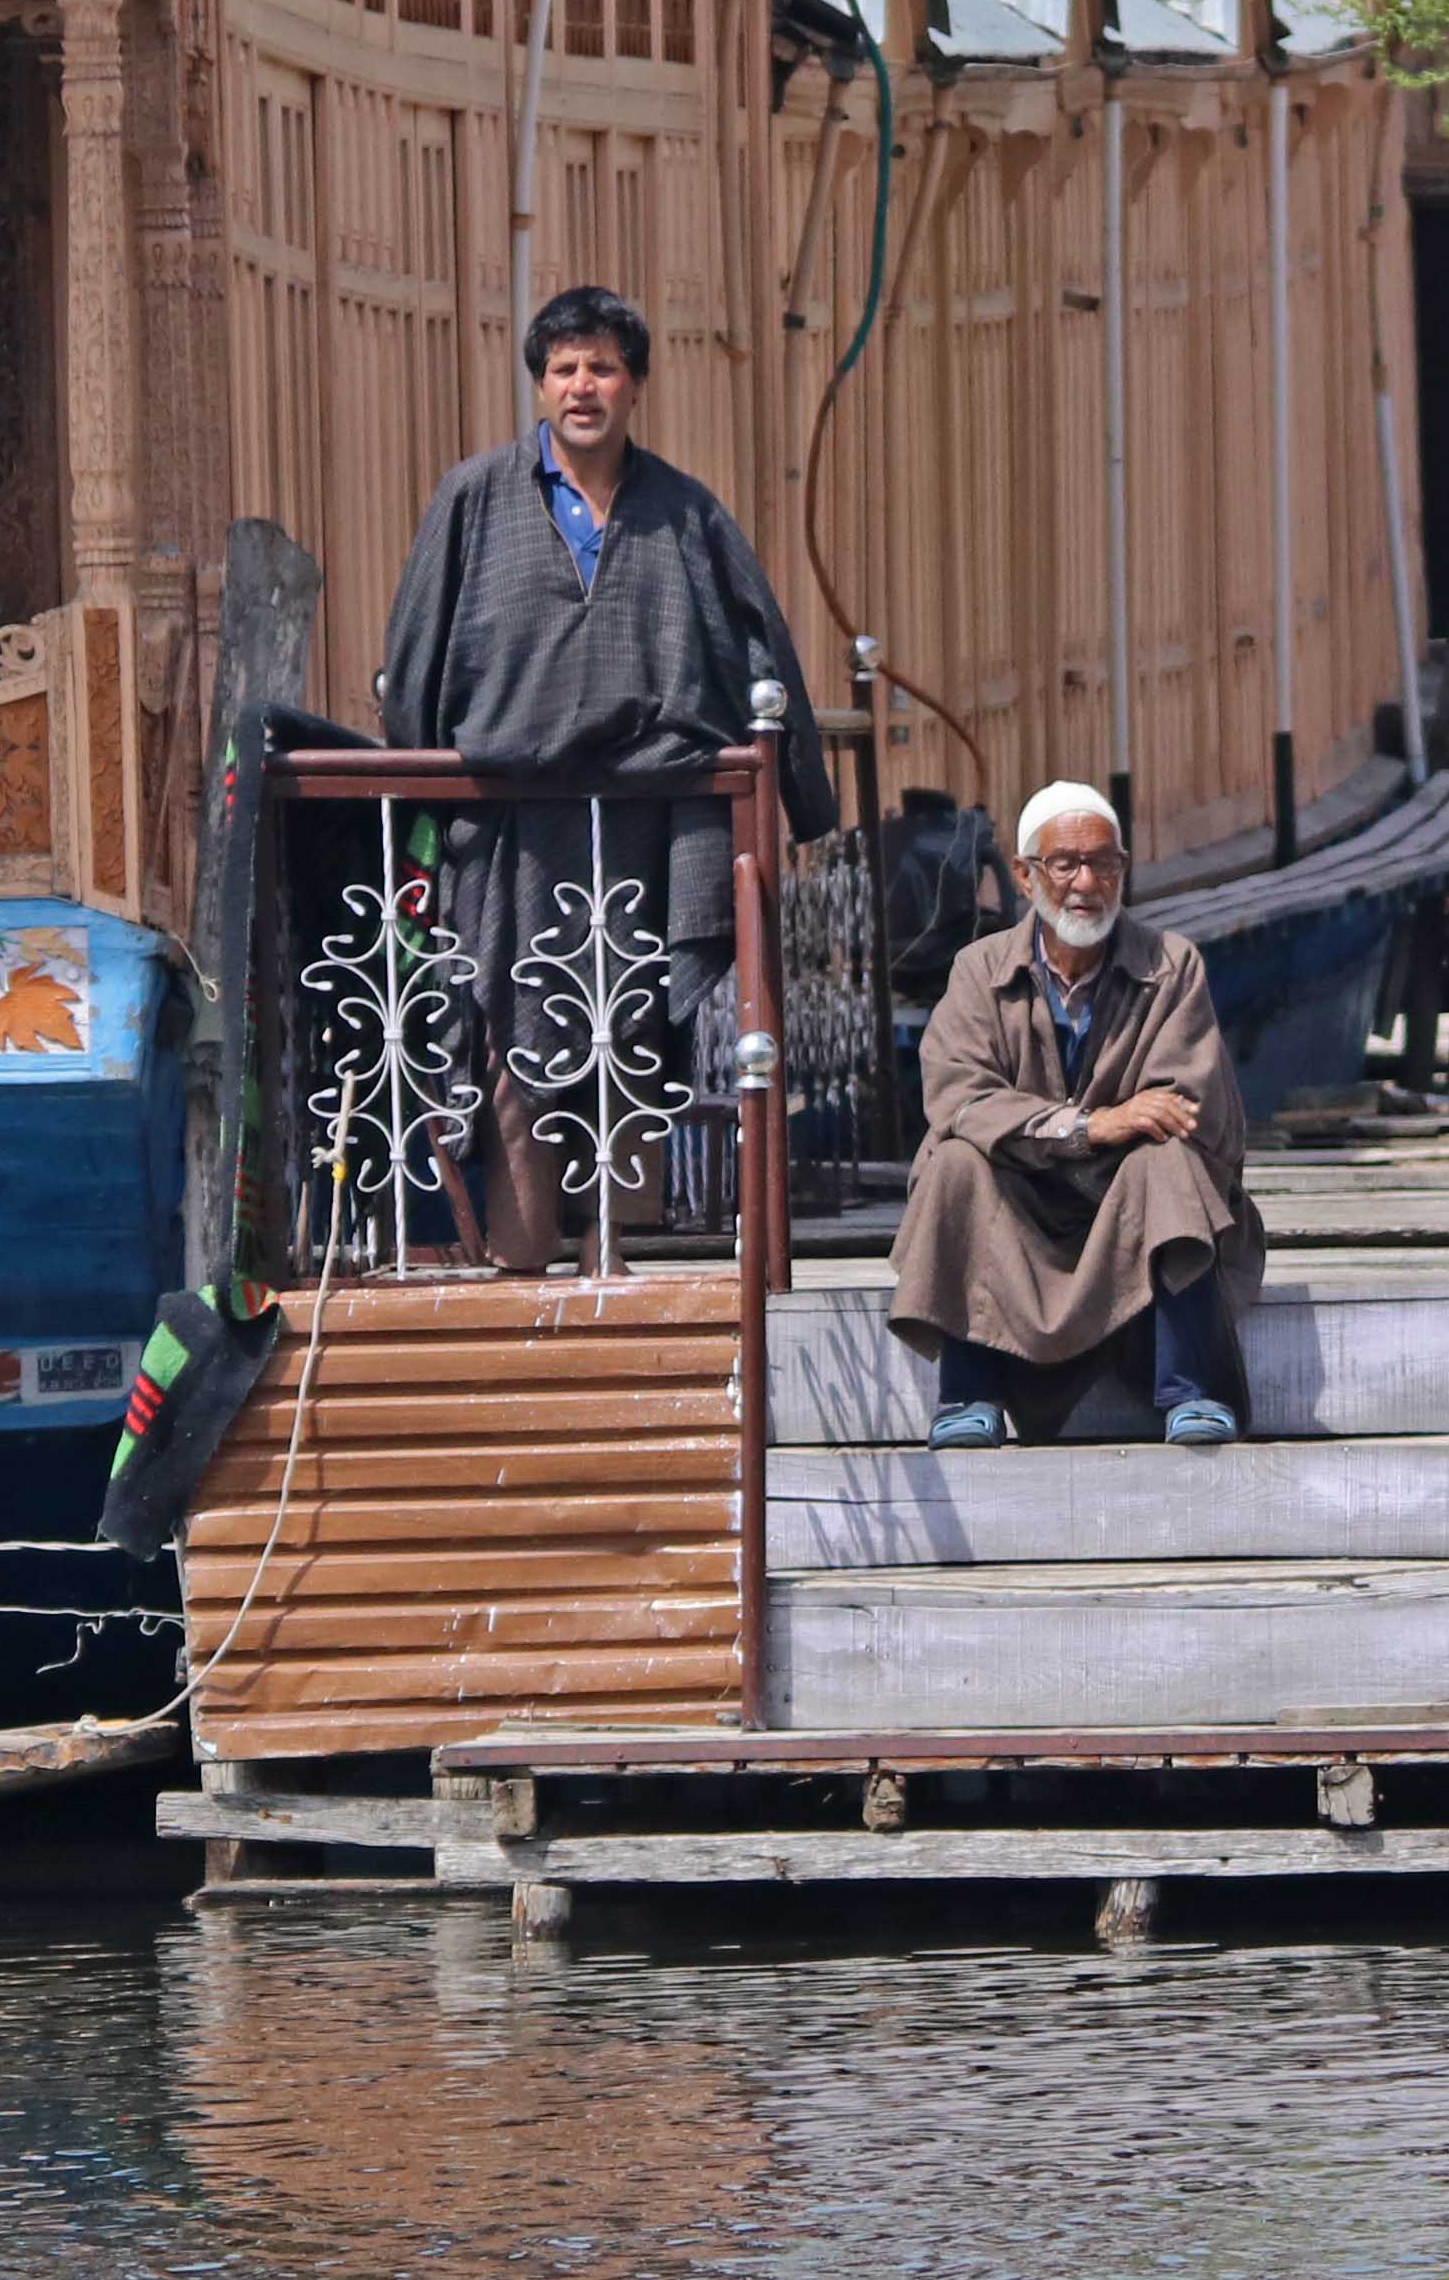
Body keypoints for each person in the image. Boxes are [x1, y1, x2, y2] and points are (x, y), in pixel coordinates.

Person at [377, 284, 832, 1270]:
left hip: (647, 819)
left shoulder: (684, 511)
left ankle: (614, 1253)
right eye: (564, 368)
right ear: (541, 386)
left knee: (633, 1021)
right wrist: (417, 805)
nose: (583, 386)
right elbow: (414, 655)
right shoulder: (474, 499)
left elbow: (764, 649)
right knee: (511, 1023)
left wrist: (801, 797)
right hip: (508, 822)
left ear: (635, 387)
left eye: (603, 367)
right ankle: (523, 1256)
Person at [889, 783, 1268, 1448]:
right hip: (1020, 1201)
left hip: (1128, 1204)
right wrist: (1089, 1126)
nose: (1085, 883)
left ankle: (1190, 1390)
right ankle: (968, 1395)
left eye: (1103, 864)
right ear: (1024, 874)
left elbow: (1183, 1104)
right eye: (1064, 864)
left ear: (1123, 870)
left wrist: (1108, 1131)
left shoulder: (1171, 964)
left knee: (1169, 1159)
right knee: (952, 1161)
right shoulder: (978, 969)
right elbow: (959, 1095)